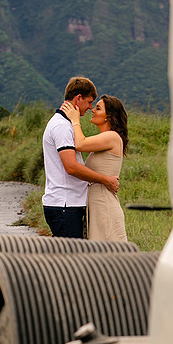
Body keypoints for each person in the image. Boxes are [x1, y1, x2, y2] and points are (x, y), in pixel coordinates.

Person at [41, 76, 120, 238]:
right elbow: (71, 167)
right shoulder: (62, 126)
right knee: (69, 259)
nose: (90, 107)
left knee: (69, 258)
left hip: (69, 204)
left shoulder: (65, 124)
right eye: (90, 102)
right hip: (65, 204)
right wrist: (106, 180)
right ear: (78, 99)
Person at [61, 94, 128, 242]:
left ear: (108, 116)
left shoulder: (112, 137)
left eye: (98, 108)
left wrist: (75, 120)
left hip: (104, 206)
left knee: (109, 257)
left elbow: (80, 144)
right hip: (97, 205)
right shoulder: (103, 139)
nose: (93, 110)